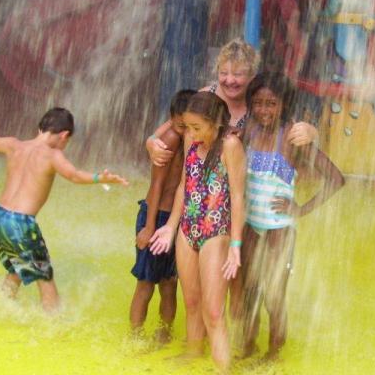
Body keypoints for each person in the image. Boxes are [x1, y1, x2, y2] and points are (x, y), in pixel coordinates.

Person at [0, 107, 128, 313]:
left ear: (40, 129)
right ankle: (55, 328)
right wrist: (99, 178)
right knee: (45, 278)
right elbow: (74, 175)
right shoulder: (52, 155)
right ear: (64, 135)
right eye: (67, 141)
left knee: (17, 268)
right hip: (19, 222)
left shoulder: (14, 145)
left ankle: (0, 309)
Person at [239, 72, 347, 360]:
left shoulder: (292, 139)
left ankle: (273, 353)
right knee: (249, 293)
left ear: (284, 105)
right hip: (250, 225)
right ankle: (248, 346)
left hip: (279, 229)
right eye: (258, 103)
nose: (264, 110)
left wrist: (300, 209)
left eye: (271, 103)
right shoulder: (248, 132)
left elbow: (336, 179)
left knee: (274, 296)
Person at [149, 92, 246, 373]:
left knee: (214, 311)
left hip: (215, 231)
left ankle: (223, 369)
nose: (190, 134)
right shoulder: (192, 139)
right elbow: (184, 185)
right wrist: (170, 226)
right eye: (188, 127)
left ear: (215, 123)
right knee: (191, 301)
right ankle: (194, 353)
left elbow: (238, 197)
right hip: (187, 228)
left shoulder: (230, 145)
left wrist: (236, 244)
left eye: (196, 128)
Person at [146, 38, 318, 167]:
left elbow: (292, 127)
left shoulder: (260, 104)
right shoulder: (205, 96)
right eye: (223, 73)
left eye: (237, 74)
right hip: (203, 185)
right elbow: (173, 123)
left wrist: (311, 132)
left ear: (252, 75)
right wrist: (151, 142)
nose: (229, 80)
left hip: (240, 185)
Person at [129, 89, 195, 342]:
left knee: (170, 284)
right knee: (145, 283)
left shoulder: (194, 138)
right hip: (156, 217)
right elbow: (156, 185)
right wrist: (147, 227)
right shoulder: (168, 139)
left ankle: (164, 333)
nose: (185, 130)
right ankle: (134, 336)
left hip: (176, 221)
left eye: (189, 125)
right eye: (180, 125)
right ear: (172, 119)